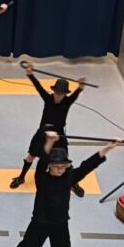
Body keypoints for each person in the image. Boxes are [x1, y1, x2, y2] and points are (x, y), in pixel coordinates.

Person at [0, 131, 121, 247]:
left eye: (64, 166)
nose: (61, 169)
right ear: (50, 166)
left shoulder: (69, 176)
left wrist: (108, 148)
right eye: (57, 166)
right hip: (40, 221)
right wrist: (49, 141)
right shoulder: (41, 177)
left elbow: (88, 165)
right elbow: (42, 161)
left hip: (60, 222)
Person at [10, 62, 88, 196]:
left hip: (59, 135)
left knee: (65, 161)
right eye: (56, 92)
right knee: (31, 155)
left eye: (61, 93)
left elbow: (76, 93)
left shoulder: (67, 102)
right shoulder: (48, 98)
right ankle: (21, 177)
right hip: (43, 133)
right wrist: (30, 74)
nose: (57, 95)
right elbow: (38, 87)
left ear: (65, 94)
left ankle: (73, 183)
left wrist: (80, 86)